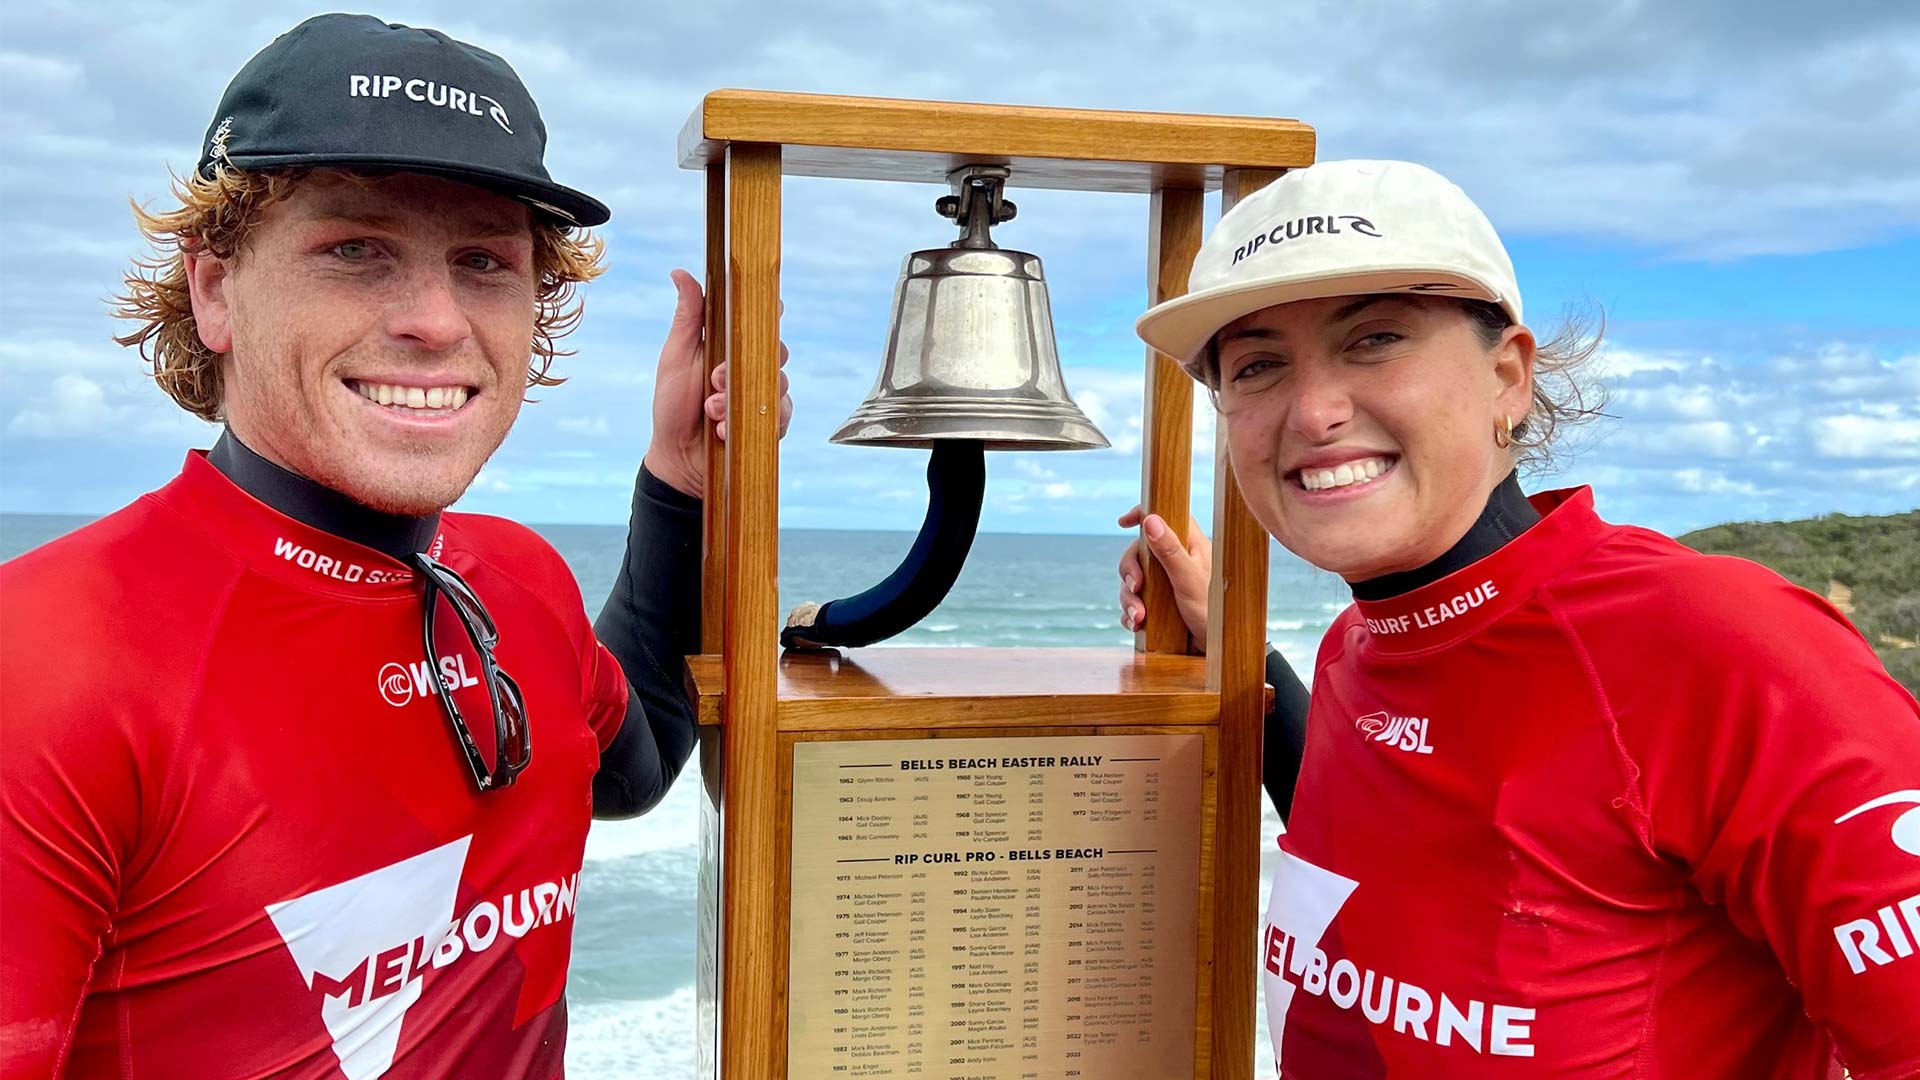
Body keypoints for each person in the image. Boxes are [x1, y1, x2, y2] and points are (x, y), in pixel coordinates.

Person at [0, 15, 789, 1078]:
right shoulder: (43, 661)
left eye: (484, 261)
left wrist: (685, 485)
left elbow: (633, 758)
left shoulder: (518, 582)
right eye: (356, 250)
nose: (434, 318)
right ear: (215, 288)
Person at [1123, 160, 1920, 1076]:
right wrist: (1232, 642)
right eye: (1258, 365)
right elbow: (1403, 851)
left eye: (1375, 339)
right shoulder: (1364, 645)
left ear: (1510, 376)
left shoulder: (1721, 646)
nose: (1314, 410)